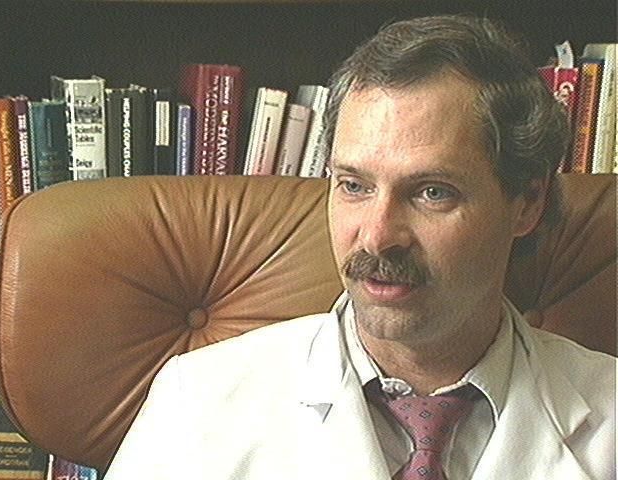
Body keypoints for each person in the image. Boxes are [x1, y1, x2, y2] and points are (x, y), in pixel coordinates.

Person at [104, 15, 616, 480]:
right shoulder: (198, 400)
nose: (377, 236)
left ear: (526, 203)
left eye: (432, 192)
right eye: (354, 185)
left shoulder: (609, 416)